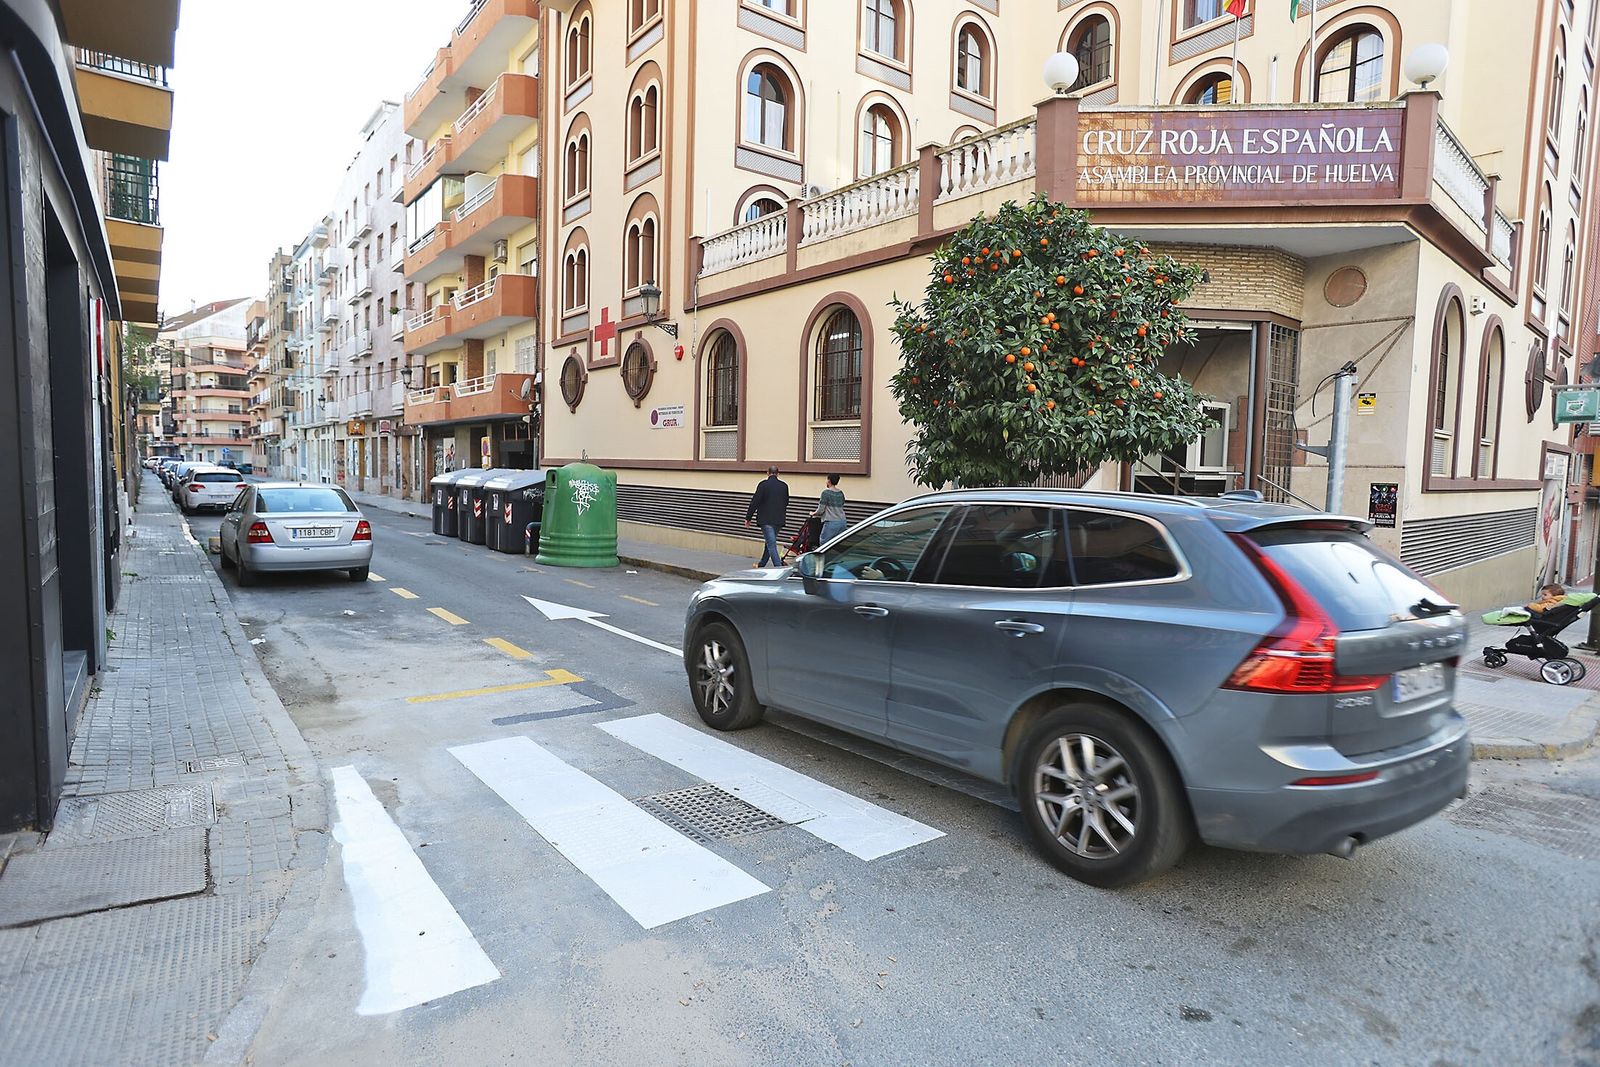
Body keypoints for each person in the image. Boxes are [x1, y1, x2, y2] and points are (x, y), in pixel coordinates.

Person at [746, 465, 790, 567]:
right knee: (770, 541)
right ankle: (762, 564)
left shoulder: (763, 485)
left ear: (767, 473)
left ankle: (779, 568)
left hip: (766, 519)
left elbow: (755, 502)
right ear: (778, 474)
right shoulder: (784, 486)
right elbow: (786, 502)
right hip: (779, 519)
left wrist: (748, 518)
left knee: (771, 543)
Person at [813, 473, 848, 545]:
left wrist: (813, 513)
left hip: (831, 522)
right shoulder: (840, 493)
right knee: (837, 545)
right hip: (842, 522)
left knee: (824, 544)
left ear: (829, 481)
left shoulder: (826, 493)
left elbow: (820, 510)